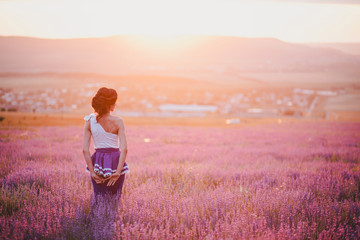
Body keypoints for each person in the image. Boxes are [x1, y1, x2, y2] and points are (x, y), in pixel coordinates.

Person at [82, 87, 129, 202]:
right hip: (115, 161)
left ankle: (98, 219)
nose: (115, 104)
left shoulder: (89, 121)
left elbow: (85, 150)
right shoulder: (118, 121)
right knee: (115, 200)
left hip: (98, 162)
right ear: (109, 105)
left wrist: (92, 172)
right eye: (114, 102)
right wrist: (117, 172)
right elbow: (125, 149)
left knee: (99, 199)